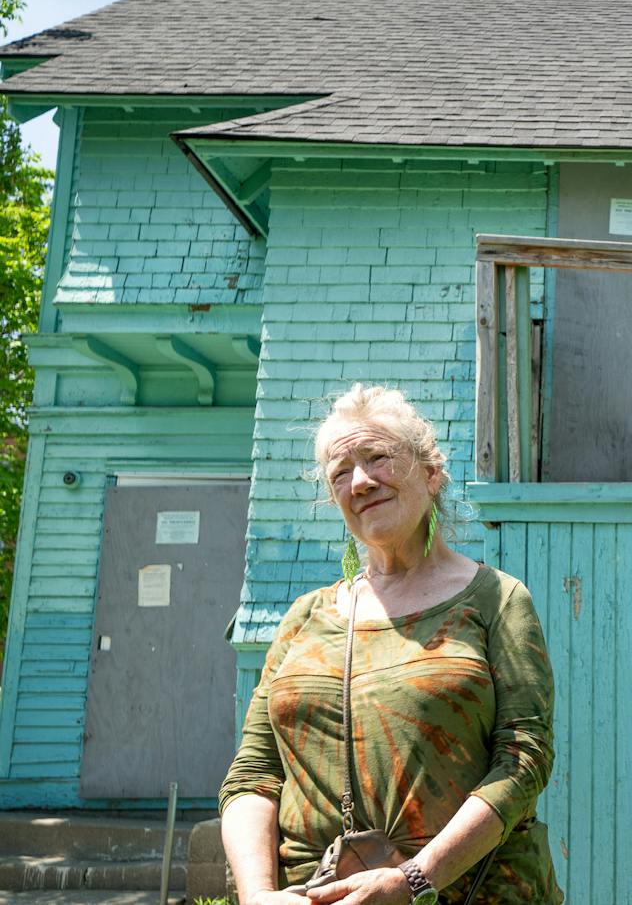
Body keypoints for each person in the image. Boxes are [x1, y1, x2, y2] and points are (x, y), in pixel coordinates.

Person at [219, 384, 562, 905]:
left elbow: (523, 761)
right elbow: (253, 774)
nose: (359, 481)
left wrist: (415, 880)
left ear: (431, 473)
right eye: (340, 473)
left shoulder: (495, 600)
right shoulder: (305, 618)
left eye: (377, 458)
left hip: (475, 893)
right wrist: (258, 895)